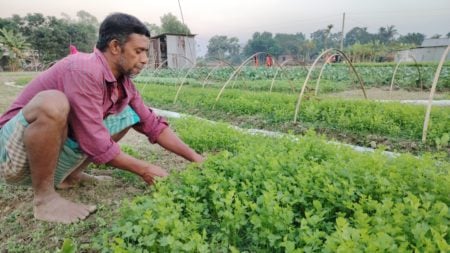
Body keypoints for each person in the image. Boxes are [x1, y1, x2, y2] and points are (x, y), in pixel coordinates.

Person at [0, 13, 203, 224]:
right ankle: (45, 199)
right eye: (139, 51)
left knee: (128, 114)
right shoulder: (84, 69)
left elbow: (152, 124)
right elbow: (94, 140)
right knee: (53, 103)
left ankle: (71, 176)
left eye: (146, 52)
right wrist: (145, 169)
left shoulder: (123, 83)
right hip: (11, 151)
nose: (144, 59)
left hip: (49, 150)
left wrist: (197, 159)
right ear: (115, 47)